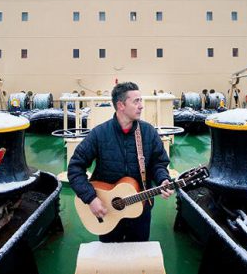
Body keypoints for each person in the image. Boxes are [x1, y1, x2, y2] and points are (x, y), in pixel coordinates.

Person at [67, 82, 173, 242]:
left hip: (140, 209)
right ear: (121, 105)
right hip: (106, 209)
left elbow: (158, 163)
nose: (141, 106)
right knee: (109, 256)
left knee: (138, 253)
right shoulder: (99, 134)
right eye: (136, 101)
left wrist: (163, 179)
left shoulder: (148, 132)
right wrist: (91, 198)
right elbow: (75, 168)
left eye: (141, 101)